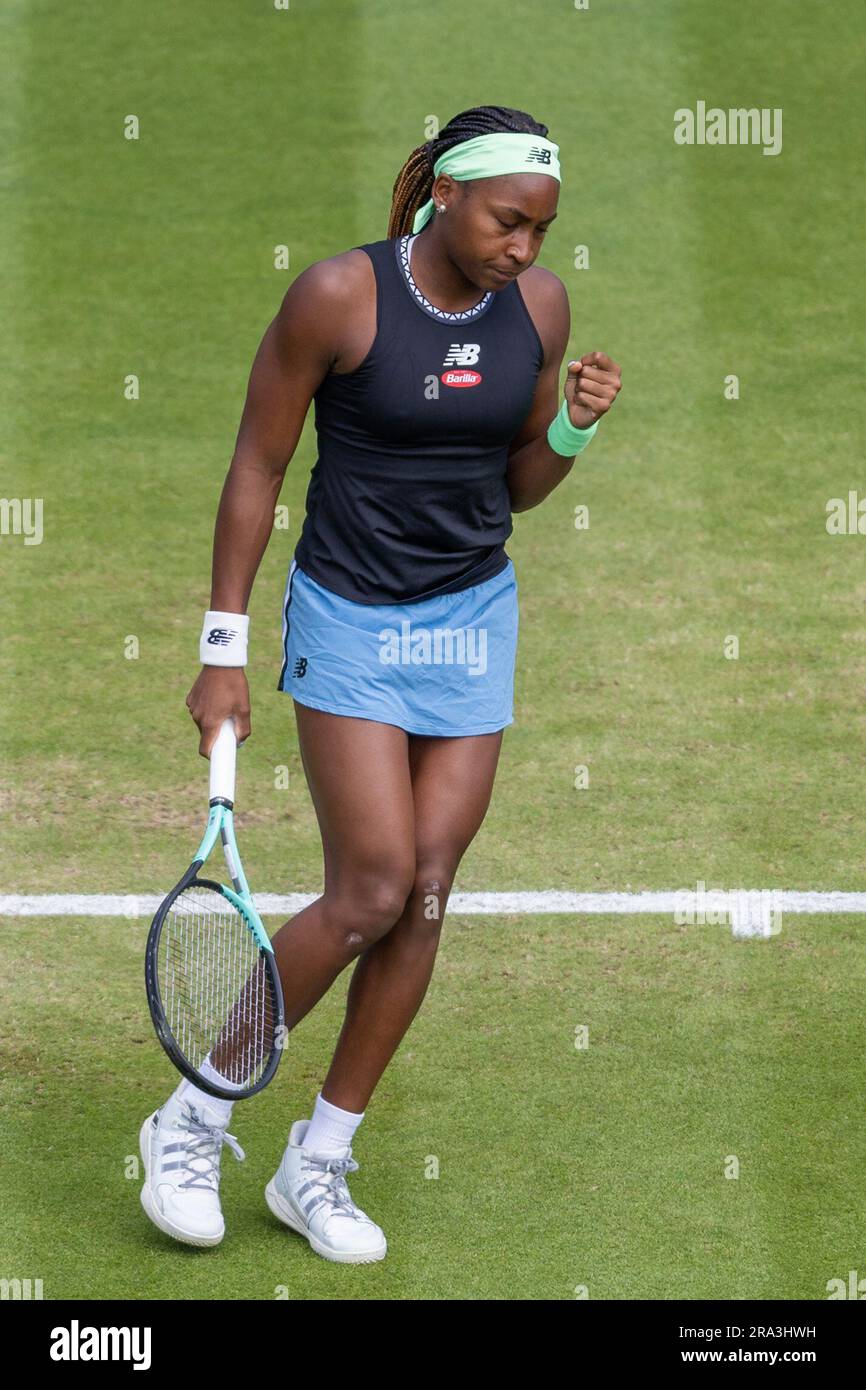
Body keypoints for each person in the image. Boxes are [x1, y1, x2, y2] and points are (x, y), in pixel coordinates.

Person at [139, 103, 621, 1263]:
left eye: (542, 232)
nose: (524, 251)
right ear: (445, 194)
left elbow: (512, 492)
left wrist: (567, 427)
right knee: (368, 887)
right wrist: (222, 652)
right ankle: (192, 1115)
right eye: (509, 222)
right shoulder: (338, 298)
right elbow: (258, 461)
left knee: (428, 888)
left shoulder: (538, 310)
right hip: (351, 615)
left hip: (470, 618)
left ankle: (317, 1163)